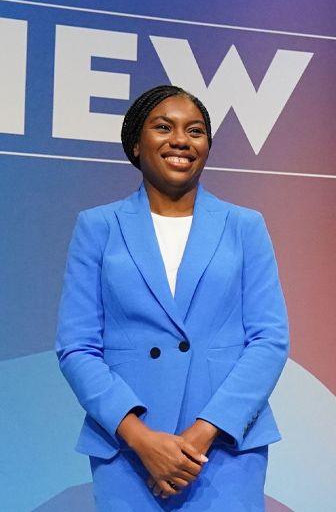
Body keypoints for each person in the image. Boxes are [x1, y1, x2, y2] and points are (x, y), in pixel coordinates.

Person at [55, 85, 289, 510]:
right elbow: (77, 347)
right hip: (127, 454)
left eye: (195, 131)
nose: (181, 140)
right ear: (135, 143)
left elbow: (269, 341)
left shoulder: (244, 226)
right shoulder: (98, 227)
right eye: (163, 127)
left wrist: (201, 434)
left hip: (223, 452)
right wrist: (142, 441)